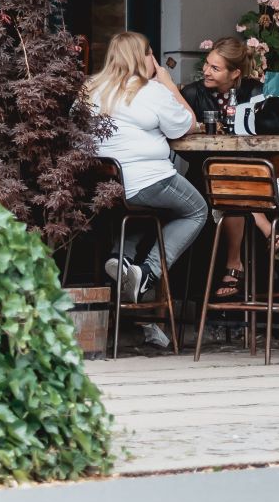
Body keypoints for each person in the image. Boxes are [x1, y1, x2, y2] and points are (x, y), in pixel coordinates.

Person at [86, 31, 208, 348]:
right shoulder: (151, 91)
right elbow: (188, 124)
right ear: (144, 57)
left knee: (150, 212)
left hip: (110, 186)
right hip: (148, 179)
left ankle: (121, 257)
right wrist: (167, 82)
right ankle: (148, 273)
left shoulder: (91, 89)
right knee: (197, 210)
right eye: (150, 53)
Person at [179, 36, 279, 301]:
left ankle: (235, 262)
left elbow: (267, 137)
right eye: (207, 65)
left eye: (215, 68)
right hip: (203, 177)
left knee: (234, 178)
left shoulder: (256, 92)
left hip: (250, 175)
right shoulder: (192, 93)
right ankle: (261, 226)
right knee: (225, 176)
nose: (206, 71)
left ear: (235, 73)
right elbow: (180, 144)